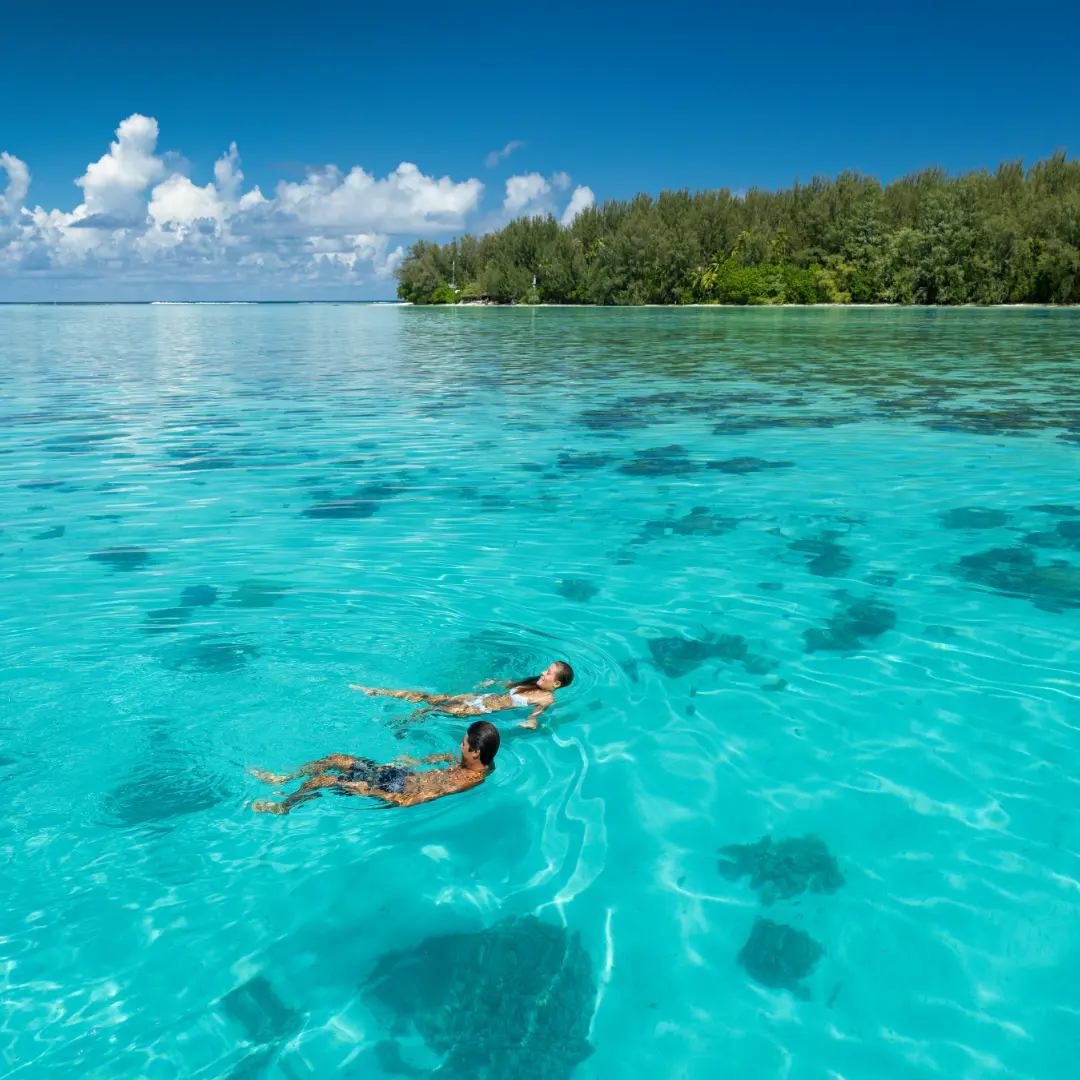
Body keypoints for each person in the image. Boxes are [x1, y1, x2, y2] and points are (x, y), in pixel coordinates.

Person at [251, 720, 500, 814]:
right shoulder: (475, 762)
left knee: (322, 781)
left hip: (395, 789)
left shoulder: (468, 780)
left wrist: (368, 792)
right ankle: (282, 779)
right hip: (400, 775)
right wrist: (411, 763)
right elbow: (439, 760)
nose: (460, 745)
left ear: (476, 752)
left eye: (464, 743)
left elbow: (411, 801)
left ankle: (285, 805)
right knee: (336, 758)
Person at [350, 660, 574, 730]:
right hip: (476, 698)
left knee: (430, 710)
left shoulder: (547, 698)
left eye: (548, 673)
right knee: (425, 696)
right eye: (546, 669)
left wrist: (531, 721)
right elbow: (507, 686)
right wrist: (493, 682)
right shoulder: (531, 684)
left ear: (556, 683)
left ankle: (394, 724)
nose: (543, 673)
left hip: (478, 709)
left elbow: (537, 713)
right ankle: (377, 692)